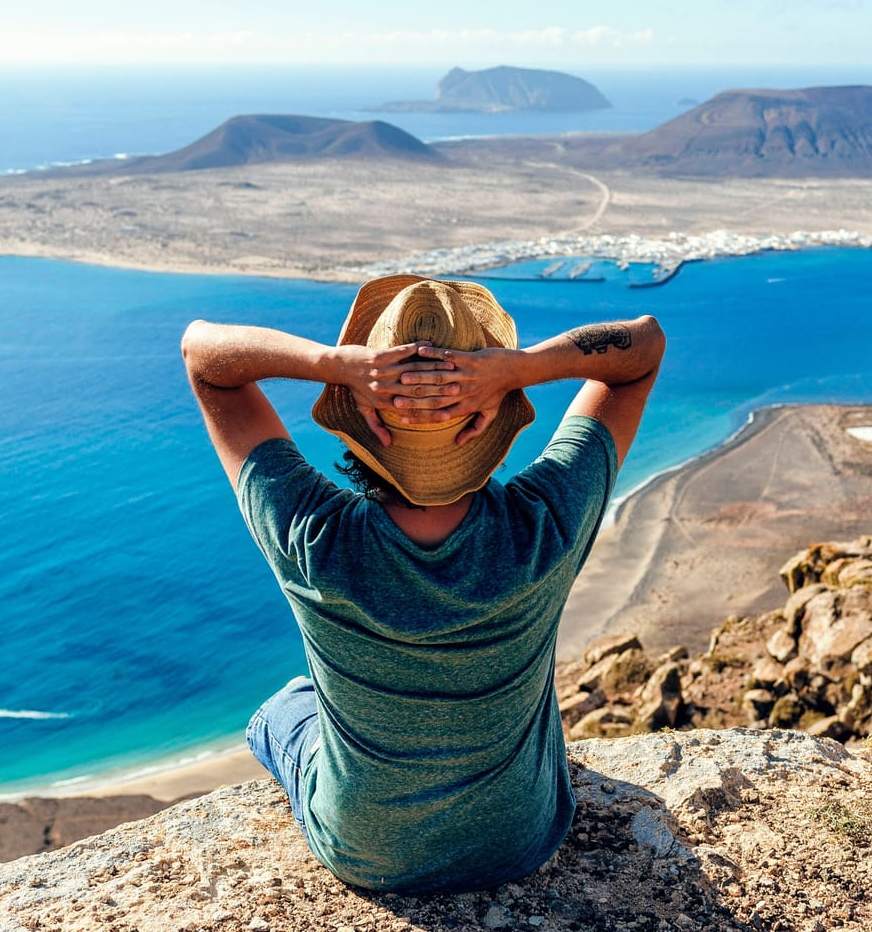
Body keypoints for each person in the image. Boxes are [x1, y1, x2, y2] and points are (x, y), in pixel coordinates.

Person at [180, 274, 665, 894]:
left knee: (285, 707)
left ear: (359, 422)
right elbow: (641, 350)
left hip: (364, 853)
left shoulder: (313, 540)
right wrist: (517, 369)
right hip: (519, 841)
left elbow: (203, 355)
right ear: (492, 423)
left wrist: (335, 365)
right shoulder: (546, 525)